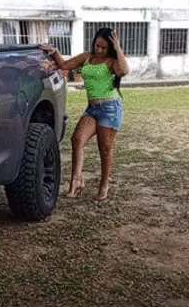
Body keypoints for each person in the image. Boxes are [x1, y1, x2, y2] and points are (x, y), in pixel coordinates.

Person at [40, 28, 129, 201]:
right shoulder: (87, 57)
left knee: (104, 148)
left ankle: (104, 184)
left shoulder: (112, 61)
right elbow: (65, 65)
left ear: (110, 48)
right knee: (77, 139)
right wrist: (55, 52)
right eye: (97, 45)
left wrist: (118, 49)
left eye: (104, 48)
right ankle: (77, 182)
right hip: (92, 109)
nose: (99, 50)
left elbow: (124, 71)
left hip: (110, 108)